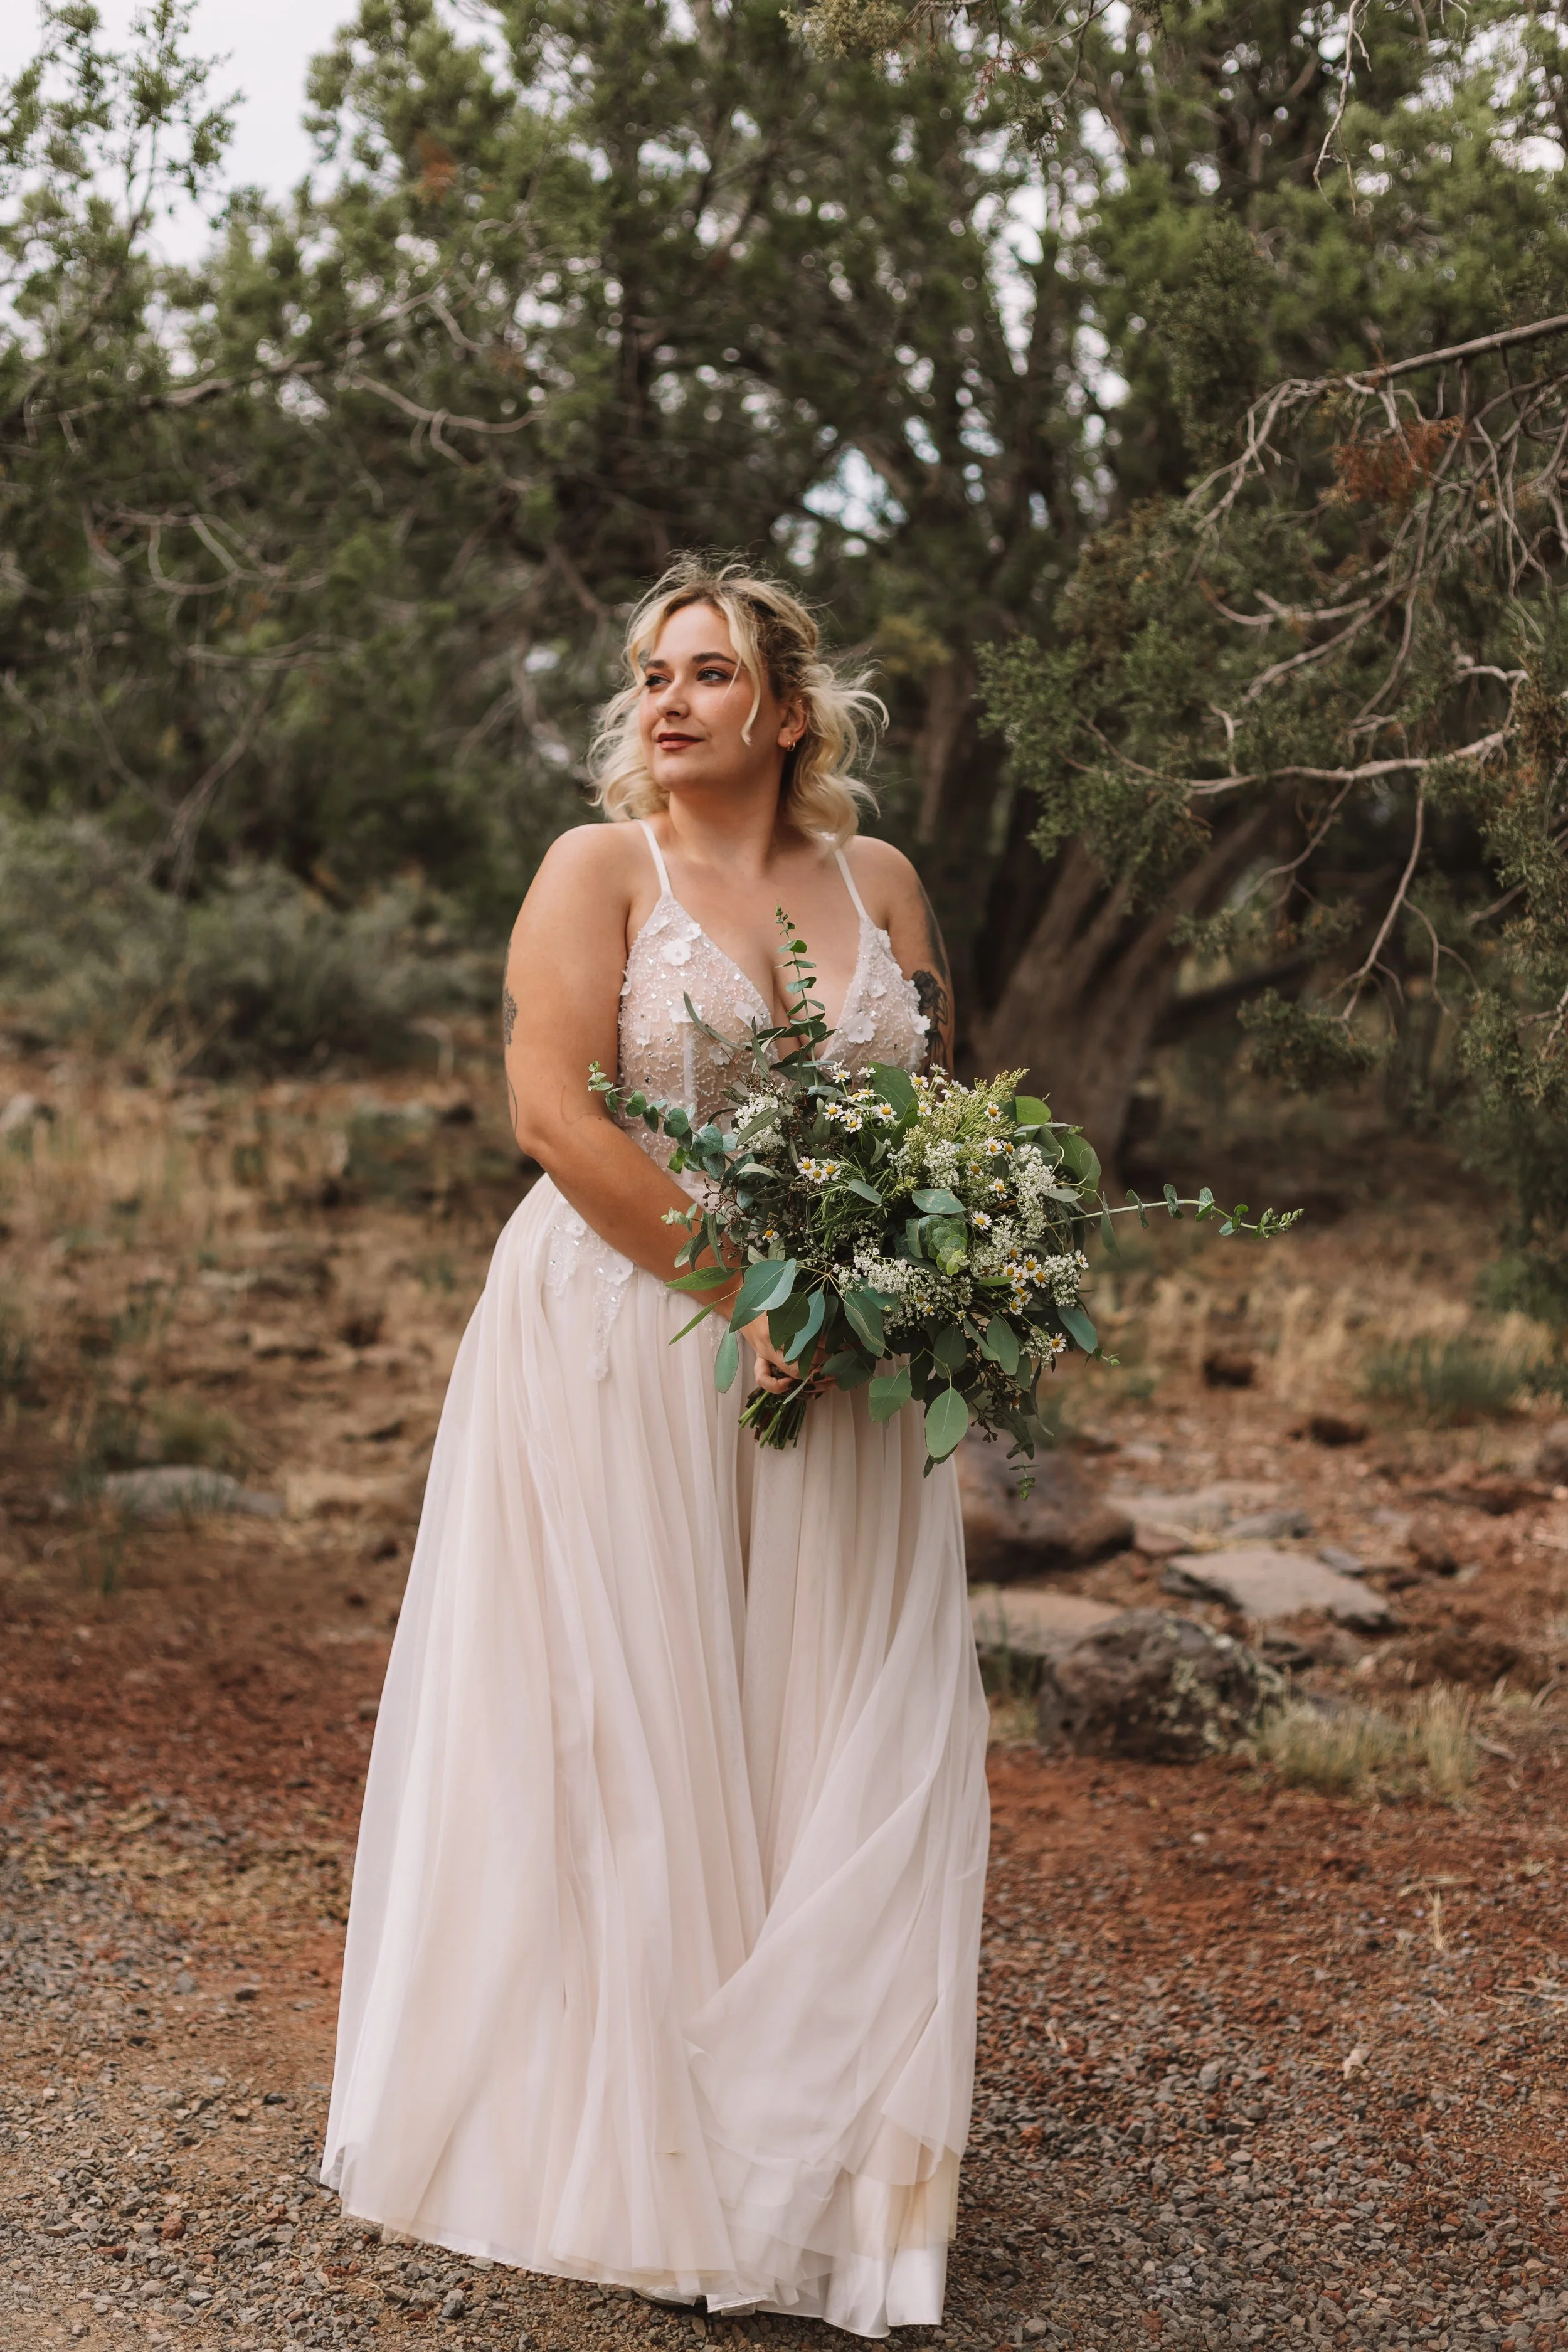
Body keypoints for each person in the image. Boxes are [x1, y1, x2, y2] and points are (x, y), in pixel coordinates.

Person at [321, 557, 990, 2339]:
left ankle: (835, 2162)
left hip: (835, 1355)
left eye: (709, 672)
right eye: (649, 671)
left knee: (836, 1714)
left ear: (786, 711)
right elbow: (548, 1102)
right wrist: (740, 1284)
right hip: (629, 1320)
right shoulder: (595, 869)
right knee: (636, 1719)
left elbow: (930, 1120)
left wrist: (900, 1291)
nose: (667, 697)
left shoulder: (884, 881)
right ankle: (646, 2151)